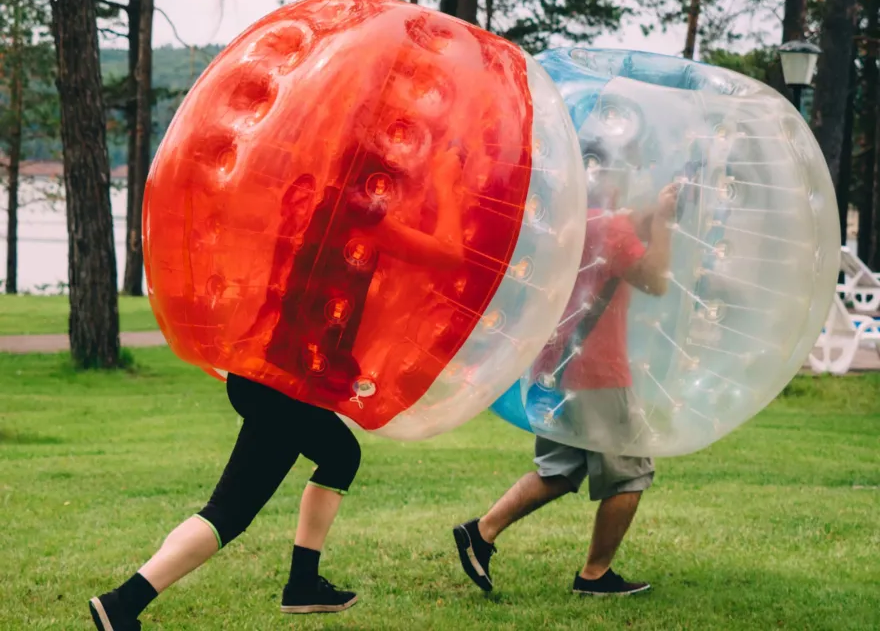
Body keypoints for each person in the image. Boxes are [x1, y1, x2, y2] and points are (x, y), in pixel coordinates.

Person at [89, 148, 465, 631]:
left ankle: (301, 583)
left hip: (268, 376)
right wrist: (446, 180)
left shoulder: (322, 209)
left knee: (337, 456)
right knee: (231, 511)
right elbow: (449, 256)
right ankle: (123, 603)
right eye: (385, 184)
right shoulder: (361, 221)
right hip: (281, 386)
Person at [452, 152, 678, 597]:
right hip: (598, 372)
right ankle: (595, 575)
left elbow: (625, 233)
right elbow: (656, 279)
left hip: (559, 367)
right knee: (630, 473)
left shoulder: (577, 223)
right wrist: (665, 222)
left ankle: (480, 532)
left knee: (560, 468)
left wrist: (652, 214)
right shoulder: (612, 229)